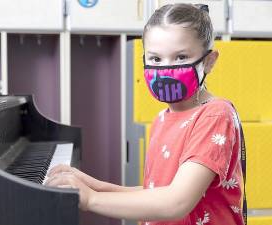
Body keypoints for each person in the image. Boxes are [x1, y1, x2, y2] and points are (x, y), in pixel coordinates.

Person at [45, 3, 246, 225]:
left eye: (180, 57)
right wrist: (93, 185)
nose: (166, 69)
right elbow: (157, 192)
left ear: (209, 61)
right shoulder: (162, 118)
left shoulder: (215, 116)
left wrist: (91, 198)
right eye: (156, 59)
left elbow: (177, 202)